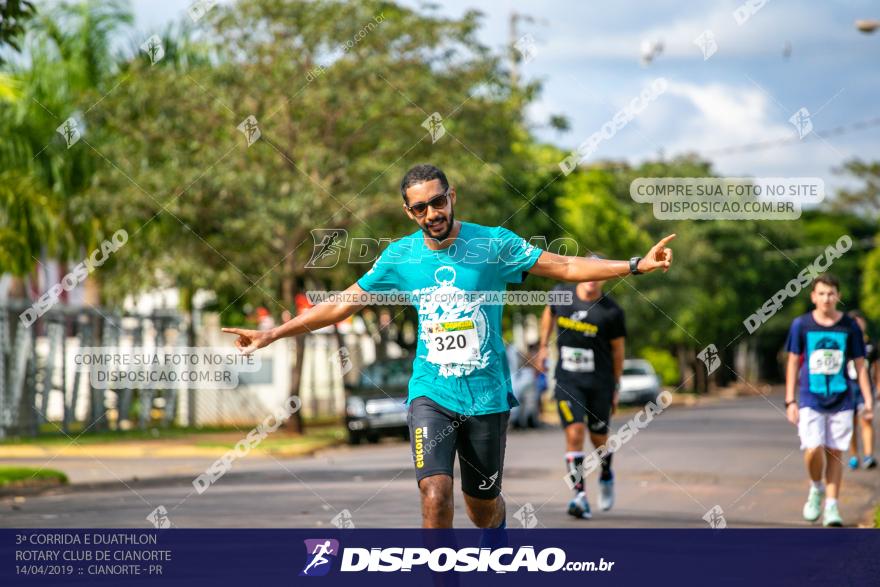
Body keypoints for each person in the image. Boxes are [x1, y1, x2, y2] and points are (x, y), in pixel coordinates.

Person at [223, 163, 675, 528]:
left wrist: (635, 265)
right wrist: (271, 334)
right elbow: (342, 305)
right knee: (435, 494)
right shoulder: (400, 257)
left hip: (486, 396)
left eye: (437, 202)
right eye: (420, 208)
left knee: (482, 506)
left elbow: (563, 267)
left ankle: (495, 537)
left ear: (451, 196)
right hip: (431, 393)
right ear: (409, 212)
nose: (431, 213)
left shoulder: (493, 244)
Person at [536, 259, 626, 519]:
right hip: (568, 380)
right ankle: (579, 496)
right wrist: (543, 346)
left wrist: (616, 385)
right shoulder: (561, 295)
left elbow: (618, 351)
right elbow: (548, 313)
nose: (592, 279)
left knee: (599, 439)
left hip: (600, 382)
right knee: (575, 433)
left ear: (604, 278)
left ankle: (606, 473)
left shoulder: (612, 312)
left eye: (599, 275)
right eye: (589, 273)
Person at [784, 274, 874, 527]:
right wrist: (790, 400)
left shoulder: (849, 326)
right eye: (821, 293)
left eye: (831, 293)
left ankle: (832, 507)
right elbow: (792, 362)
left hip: (842, 398)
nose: (826, 298)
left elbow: (860, 364)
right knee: (813, 448)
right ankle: (816, 488)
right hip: (810, 397)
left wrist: (868, 401)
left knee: (835, 453)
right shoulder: (801, 325)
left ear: (838, 296)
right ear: (813, 296)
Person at [846, 311, 879, 470]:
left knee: (866, 419)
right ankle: (853, 455)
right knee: (850, 423)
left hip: (866, 386)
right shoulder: (843, 342)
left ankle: (868, 455)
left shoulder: (871, 344)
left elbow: (876, 367)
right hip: (848, 386)